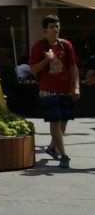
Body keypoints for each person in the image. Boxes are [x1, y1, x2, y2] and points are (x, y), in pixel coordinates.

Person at [28, 15, 80, 168]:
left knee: (63, 122)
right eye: (52, 27)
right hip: (47, 90)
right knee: (55, 122)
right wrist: (47, 59)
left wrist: (76, 86)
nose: (56, 29)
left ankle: (51, 147)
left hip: (65, 89)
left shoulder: (66, 45)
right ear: (45, 29)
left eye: (57, 26)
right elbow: (32, 70)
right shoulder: (39, 46)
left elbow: (73, 67)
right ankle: (64, 155)